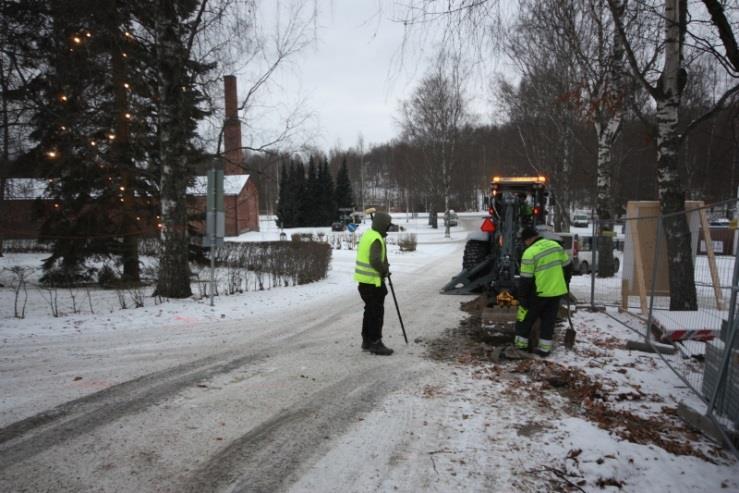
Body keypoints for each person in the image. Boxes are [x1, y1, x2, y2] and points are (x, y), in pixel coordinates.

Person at [514, 227, 573, 357]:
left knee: (524, 319)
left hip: (539, 293)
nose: (525, 244)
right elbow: (568, 266)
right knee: (548, 321)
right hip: (556, 292)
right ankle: (544, 349)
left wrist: (522, 297)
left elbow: (526, 279)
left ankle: (520, 348)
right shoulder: (555, 246)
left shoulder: (530, 253)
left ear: (528, 239)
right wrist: (565, 283)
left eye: (524, 241)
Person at [354, 211, 394, 355]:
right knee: (376, 313)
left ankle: (367, 341)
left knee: (370, 311)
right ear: (383, 225)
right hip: (373, 283)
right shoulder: (376, 238)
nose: (389, 228)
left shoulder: (369, 235)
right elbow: (375, 260)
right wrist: (384, 270)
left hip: (364, 282)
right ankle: (376, 342)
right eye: (388, 226)